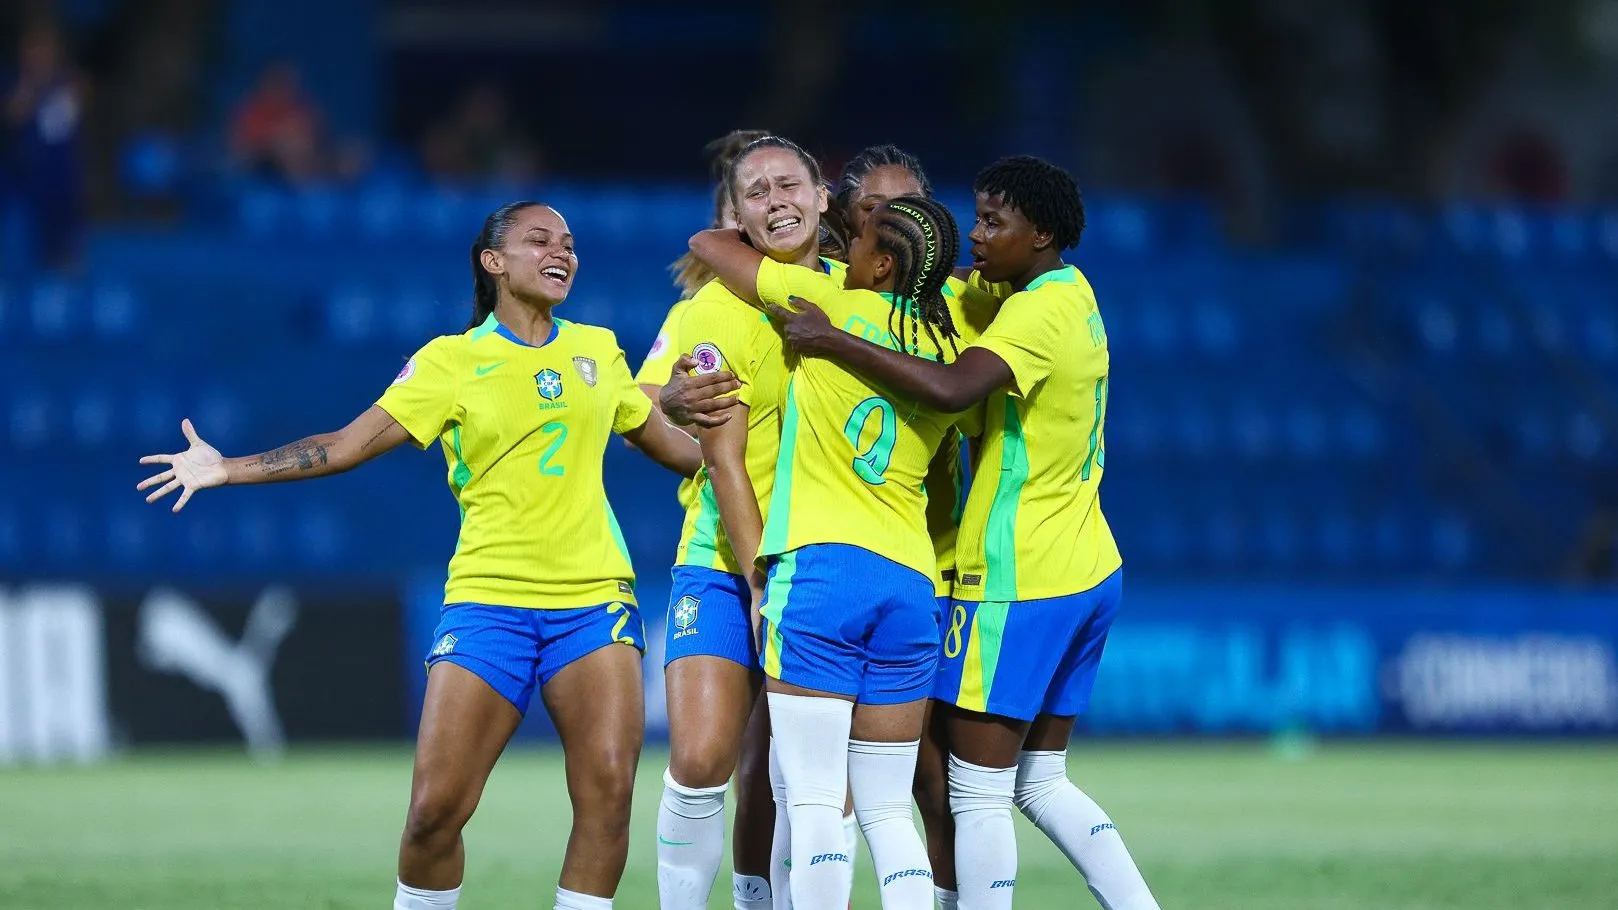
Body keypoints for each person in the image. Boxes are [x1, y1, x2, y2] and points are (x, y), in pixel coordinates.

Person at [136, 202, 704, 910]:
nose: (561, 253)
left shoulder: (599, 349)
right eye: (538, 241)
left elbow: (679, 453)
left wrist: (747, 457)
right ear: (492, 261)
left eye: (569, 243)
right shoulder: (451, 361)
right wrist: (227, 468)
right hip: (489, 603)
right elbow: (345, 446)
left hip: (595, 601)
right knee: (435, 813)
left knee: (609, 795)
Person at [741, 156, 1160, 910]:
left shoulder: (1029, 313)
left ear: (1041, 235)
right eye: (971, 221)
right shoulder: (1070, 293)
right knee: (1032, 781)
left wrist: (833, 339)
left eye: (995, 223)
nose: (978, 237)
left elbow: (954, 388)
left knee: (972, 792)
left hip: (1018, 571)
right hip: (1084, 559)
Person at [684, 192, 964, 910]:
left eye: (859, 236)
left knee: (812, 803)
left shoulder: (833, 300)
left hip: (821, 573)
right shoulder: (944, 350)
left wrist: (773, 217)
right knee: (887, 810)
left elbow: (710, 247)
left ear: (880, 262)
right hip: (910, 582)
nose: (845, 243)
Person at [637, 127, 789, 910]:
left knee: (786, 774)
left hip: (813, 559)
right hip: (718, 559)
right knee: (701, 760)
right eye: (749, 198)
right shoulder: (702, 312)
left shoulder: (836, 298)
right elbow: (646, 416)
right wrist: (698, 440)